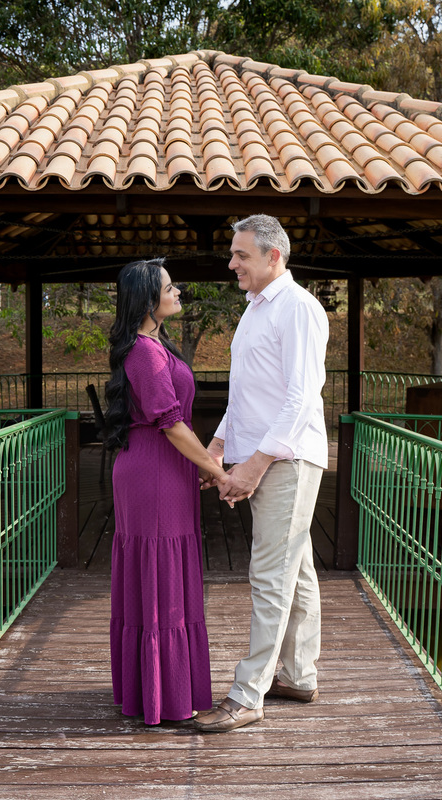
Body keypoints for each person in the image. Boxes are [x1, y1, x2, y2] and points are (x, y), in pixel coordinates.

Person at [194, 214, 330, 733]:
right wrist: (220, 445)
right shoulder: (256, 309)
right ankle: (297, 673)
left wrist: (253, 465)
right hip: (267, 456)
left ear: (274, 256)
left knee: (269, 575)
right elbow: (248, 393)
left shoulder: (298, 309)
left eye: (241, 256)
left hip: (287, 461)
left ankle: (248, 694)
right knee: (296, 571)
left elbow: (301, 398)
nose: (232, 264)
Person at [103, 258, 228, 725]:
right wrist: (216, 470)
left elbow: (176, 424)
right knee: (160, 573)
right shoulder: (145, 351)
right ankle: (161, 693)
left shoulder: (157, 345)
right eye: (170, 288)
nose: (179, 293)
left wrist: (200, 465)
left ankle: (164, 685)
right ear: (147, 299)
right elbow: (171, 423)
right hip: (151, 472)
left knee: (169, 571)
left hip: (164, 469)